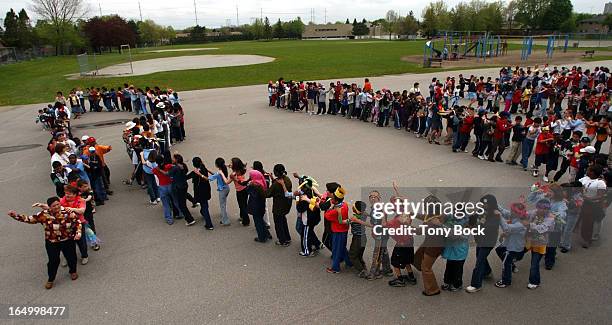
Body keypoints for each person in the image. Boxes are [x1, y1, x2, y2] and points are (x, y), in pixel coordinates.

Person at [7, 197, 82, 289]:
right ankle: (51, 279)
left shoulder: (68, 212)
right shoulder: (43, 215)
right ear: (49, 207)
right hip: (52, 242)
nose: (57, 206)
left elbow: (77, 222)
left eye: (58, 204)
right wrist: (15, 215)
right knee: (53, 261)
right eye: (54, 205)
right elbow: (29, 219)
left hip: (67, 240)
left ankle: (73, 271)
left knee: (71, 257)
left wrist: (78, 233)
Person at [466, 194, 501, 293]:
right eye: (482, 203)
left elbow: (489, 228)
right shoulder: (483, 210)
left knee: (479, 262)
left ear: (491, 204)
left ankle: (476, 285)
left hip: (488, 241)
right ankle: (487, 271)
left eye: (485, 204)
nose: (483, 205)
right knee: (479, 256)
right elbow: (474, 217)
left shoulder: (495, 214)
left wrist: (475, 228)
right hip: (480, 239)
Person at [414, 195, 445, 296]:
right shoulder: (440, 215)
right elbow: (425, 217)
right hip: (434, 243)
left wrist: (406, 226)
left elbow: (419, 231)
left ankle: (432, 289)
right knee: (419, 257)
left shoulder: (431, 222)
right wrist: (412, 213)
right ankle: (431, 286)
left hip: (433, 247)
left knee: (426, 268)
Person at [494, 202, 528, 288]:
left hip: (514, 248)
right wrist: (495, 204)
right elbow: (504, 212)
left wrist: (499, 217)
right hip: (510, 244)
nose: (511, 212)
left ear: (518, 213)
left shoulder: (521, 224)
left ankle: (506, 281)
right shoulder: (514, 216)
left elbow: (507, 227)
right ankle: (512, 266)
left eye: (513, 211)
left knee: (505, 262)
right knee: (499, 250)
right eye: (511, 210)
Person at [525, 199, 555, 289]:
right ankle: (512, 264)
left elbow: (542, 228)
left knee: (534, 263)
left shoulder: (550, 218)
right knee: (516, 253)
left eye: (545, 208)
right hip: (529, 240)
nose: (542, 210)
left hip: (540, 243)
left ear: (548, 209)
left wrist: (529, 225)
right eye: (540, 207)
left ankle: (534, 281)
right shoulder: (534, 212)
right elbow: (524, 214)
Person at [324, 186, 352, 273]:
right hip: (344, 230)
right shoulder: (345, 205)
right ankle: (349, 262)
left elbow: (327, 215)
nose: (331, 199)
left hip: (338, 232)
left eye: (332, 198)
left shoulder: (335, 211)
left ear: (335, 201)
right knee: (342, 247)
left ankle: (335, 268)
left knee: (336, 250)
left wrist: (330, 207)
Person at [386, 211, 417, 287]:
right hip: (409, 242)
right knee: (407, 260)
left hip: (402, 244)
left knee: (395, 261)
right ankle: (411, 277)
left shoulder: (399, 220)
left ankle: (400, 280)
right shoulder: (406, 216)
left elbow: (387, 225)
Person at [578, 165, 607, 248]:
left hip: (592, 204)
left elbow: (600, 195)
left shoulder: (600, 182)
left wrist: (587, 198)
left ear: (593, 172)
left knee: (589, 223)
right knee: (582, 220)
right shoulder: (585, 178)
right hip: (583, 202)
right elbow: (578, 184)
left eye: (589, 170)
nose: (587, 171)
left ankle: (587, 239)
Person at [267, 164, 293, 246]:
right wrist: (272, 179)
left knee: (278, 224)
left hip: (278, 207)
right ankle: (287, 238)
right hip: (286, 205)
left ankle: (282, 240)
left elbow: (268, 194)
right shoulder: (287, 179)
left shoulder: (276, 184)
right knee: (283, 221)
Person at [188, 157, 213, 230]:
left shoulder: (195, 172)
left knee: (204, 206)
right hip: (206, 189)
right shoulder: (203, 167)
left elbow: (186, 177)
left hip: (200, 191)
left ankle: (209, 224)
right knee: (204, 204)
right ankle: (203, 213)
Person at [348, 201, 371, 278]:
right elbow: (369, 215)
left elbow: (342, 222)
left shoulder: (353, 218)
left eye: (353, 207)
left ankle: (362, 270)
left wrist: (340, 214)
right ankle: (363, 266)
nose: (352, 207)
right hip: (364, 238)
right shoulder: (364, 214)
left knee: (352, 255)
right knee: (359, 254)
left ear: (357, 210)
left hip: (357, 239)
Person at [208, 158, 231, 226]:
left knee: (222, 206)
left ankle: (225, 220)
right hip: (226, 188)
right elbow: (216, 175)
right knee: (224, 204)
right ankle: (224, 216)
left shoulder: (219, 172)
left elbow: (209, 178)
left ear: (217, 165)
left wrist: (200, 174)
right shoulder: (223, 169)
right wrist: (208, 170)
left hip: (222, 190)